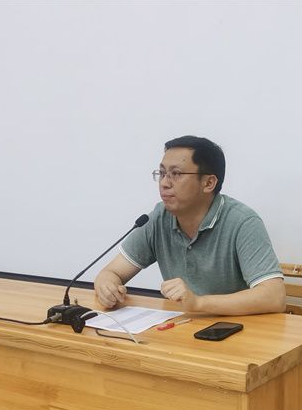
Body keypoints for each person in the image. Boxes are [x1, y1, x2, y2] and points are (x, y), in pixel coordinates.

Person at [94, 135, 286, 315]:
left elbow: (274, 297)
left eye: (176, 173)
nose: (164, 183)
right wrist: (107, 287)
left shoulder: (242, 222)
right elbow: (111, 273)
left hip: (235, 330)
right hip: (182, 327)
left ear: (208, 183)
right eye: (162, 173)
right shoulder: (158, 218)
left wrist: (198, 303)